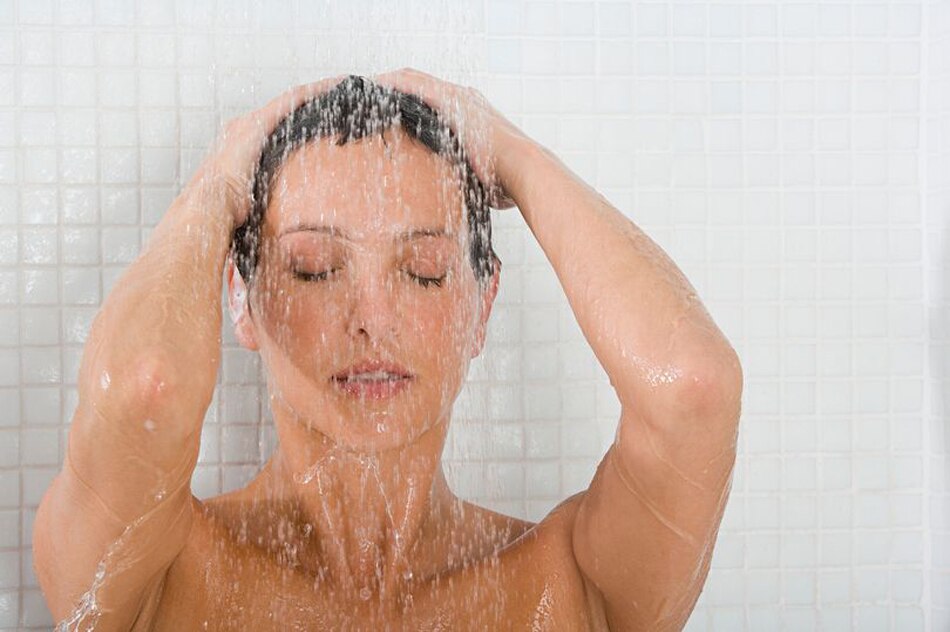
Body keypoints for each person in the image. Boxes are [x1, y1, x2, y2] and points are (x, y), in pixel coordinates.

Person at [32, 69, 743, 630]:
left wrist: (517, 158)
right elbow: (141, 389)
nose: (373, 320)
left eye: (424, 271)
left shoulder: (565, 584)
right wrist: (217, 186)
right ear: (242, 302)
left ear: (482, 305)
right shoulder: (158, 572)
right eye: (314, 267)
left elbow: (692, 387)